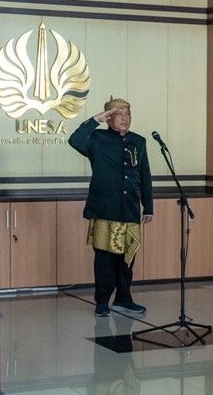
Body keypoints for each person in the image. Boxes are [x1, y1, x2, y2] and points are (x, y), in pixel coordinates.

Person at [69, 97, 153, 317]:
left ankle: (123, 299)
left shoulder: (139, 141)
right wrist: (95, 120)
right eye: (118, 114)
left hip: (130, 209)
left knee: (128, 258)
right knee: (105, 260)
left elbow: (144, 175)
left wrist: (149, 206)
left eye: (127, 113)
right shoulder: (97, 138)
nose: (124, 118)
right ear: (108, 119)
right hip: (105, 209)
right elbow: (74, 139)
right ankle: (102, 301)